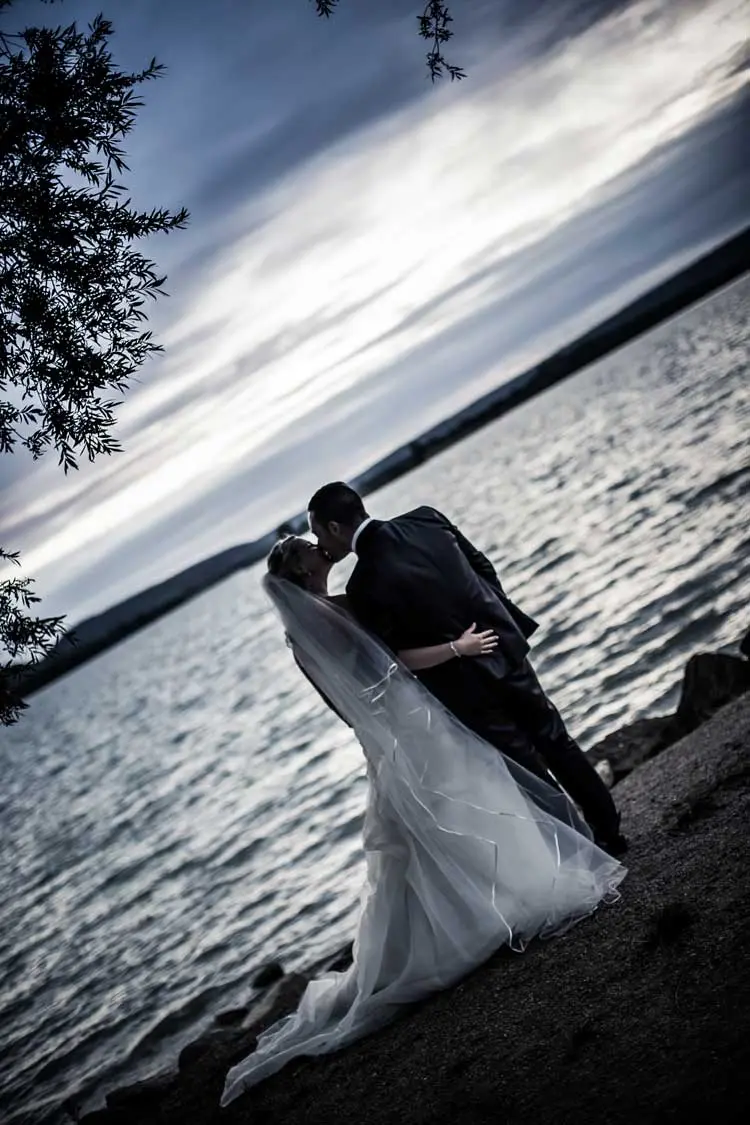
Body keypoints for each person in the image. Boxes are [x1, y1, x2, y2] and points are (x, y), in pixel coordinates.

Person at [219, 535, 626, 1106]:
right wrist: (457, 649)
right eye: (310, 548)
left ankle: (474, 907)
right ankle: (501, 901)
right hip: (408, 717)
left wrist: (380, 731)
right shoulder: (330, 612)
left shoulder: (301, 632)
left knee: (442, 816)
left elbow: (346, 701)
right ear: (301, 568)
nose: (318, 547)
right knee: (463, 798)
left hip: (389, 730)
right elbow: (391, 662)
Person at [308, 483, 626, 857]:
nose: (319, 544)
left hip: (461, 686)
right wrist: (494, 622)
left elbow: (399, 655)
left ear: (334, 527)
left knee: (526, 770)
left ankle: (586, 853)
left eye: (317, 533)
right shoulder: (426, 518)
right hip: (502, 647)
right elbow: (482, 568)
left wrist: (457, 650)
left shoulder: (362, 585)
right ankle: (611, 832)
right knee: (556, 740)